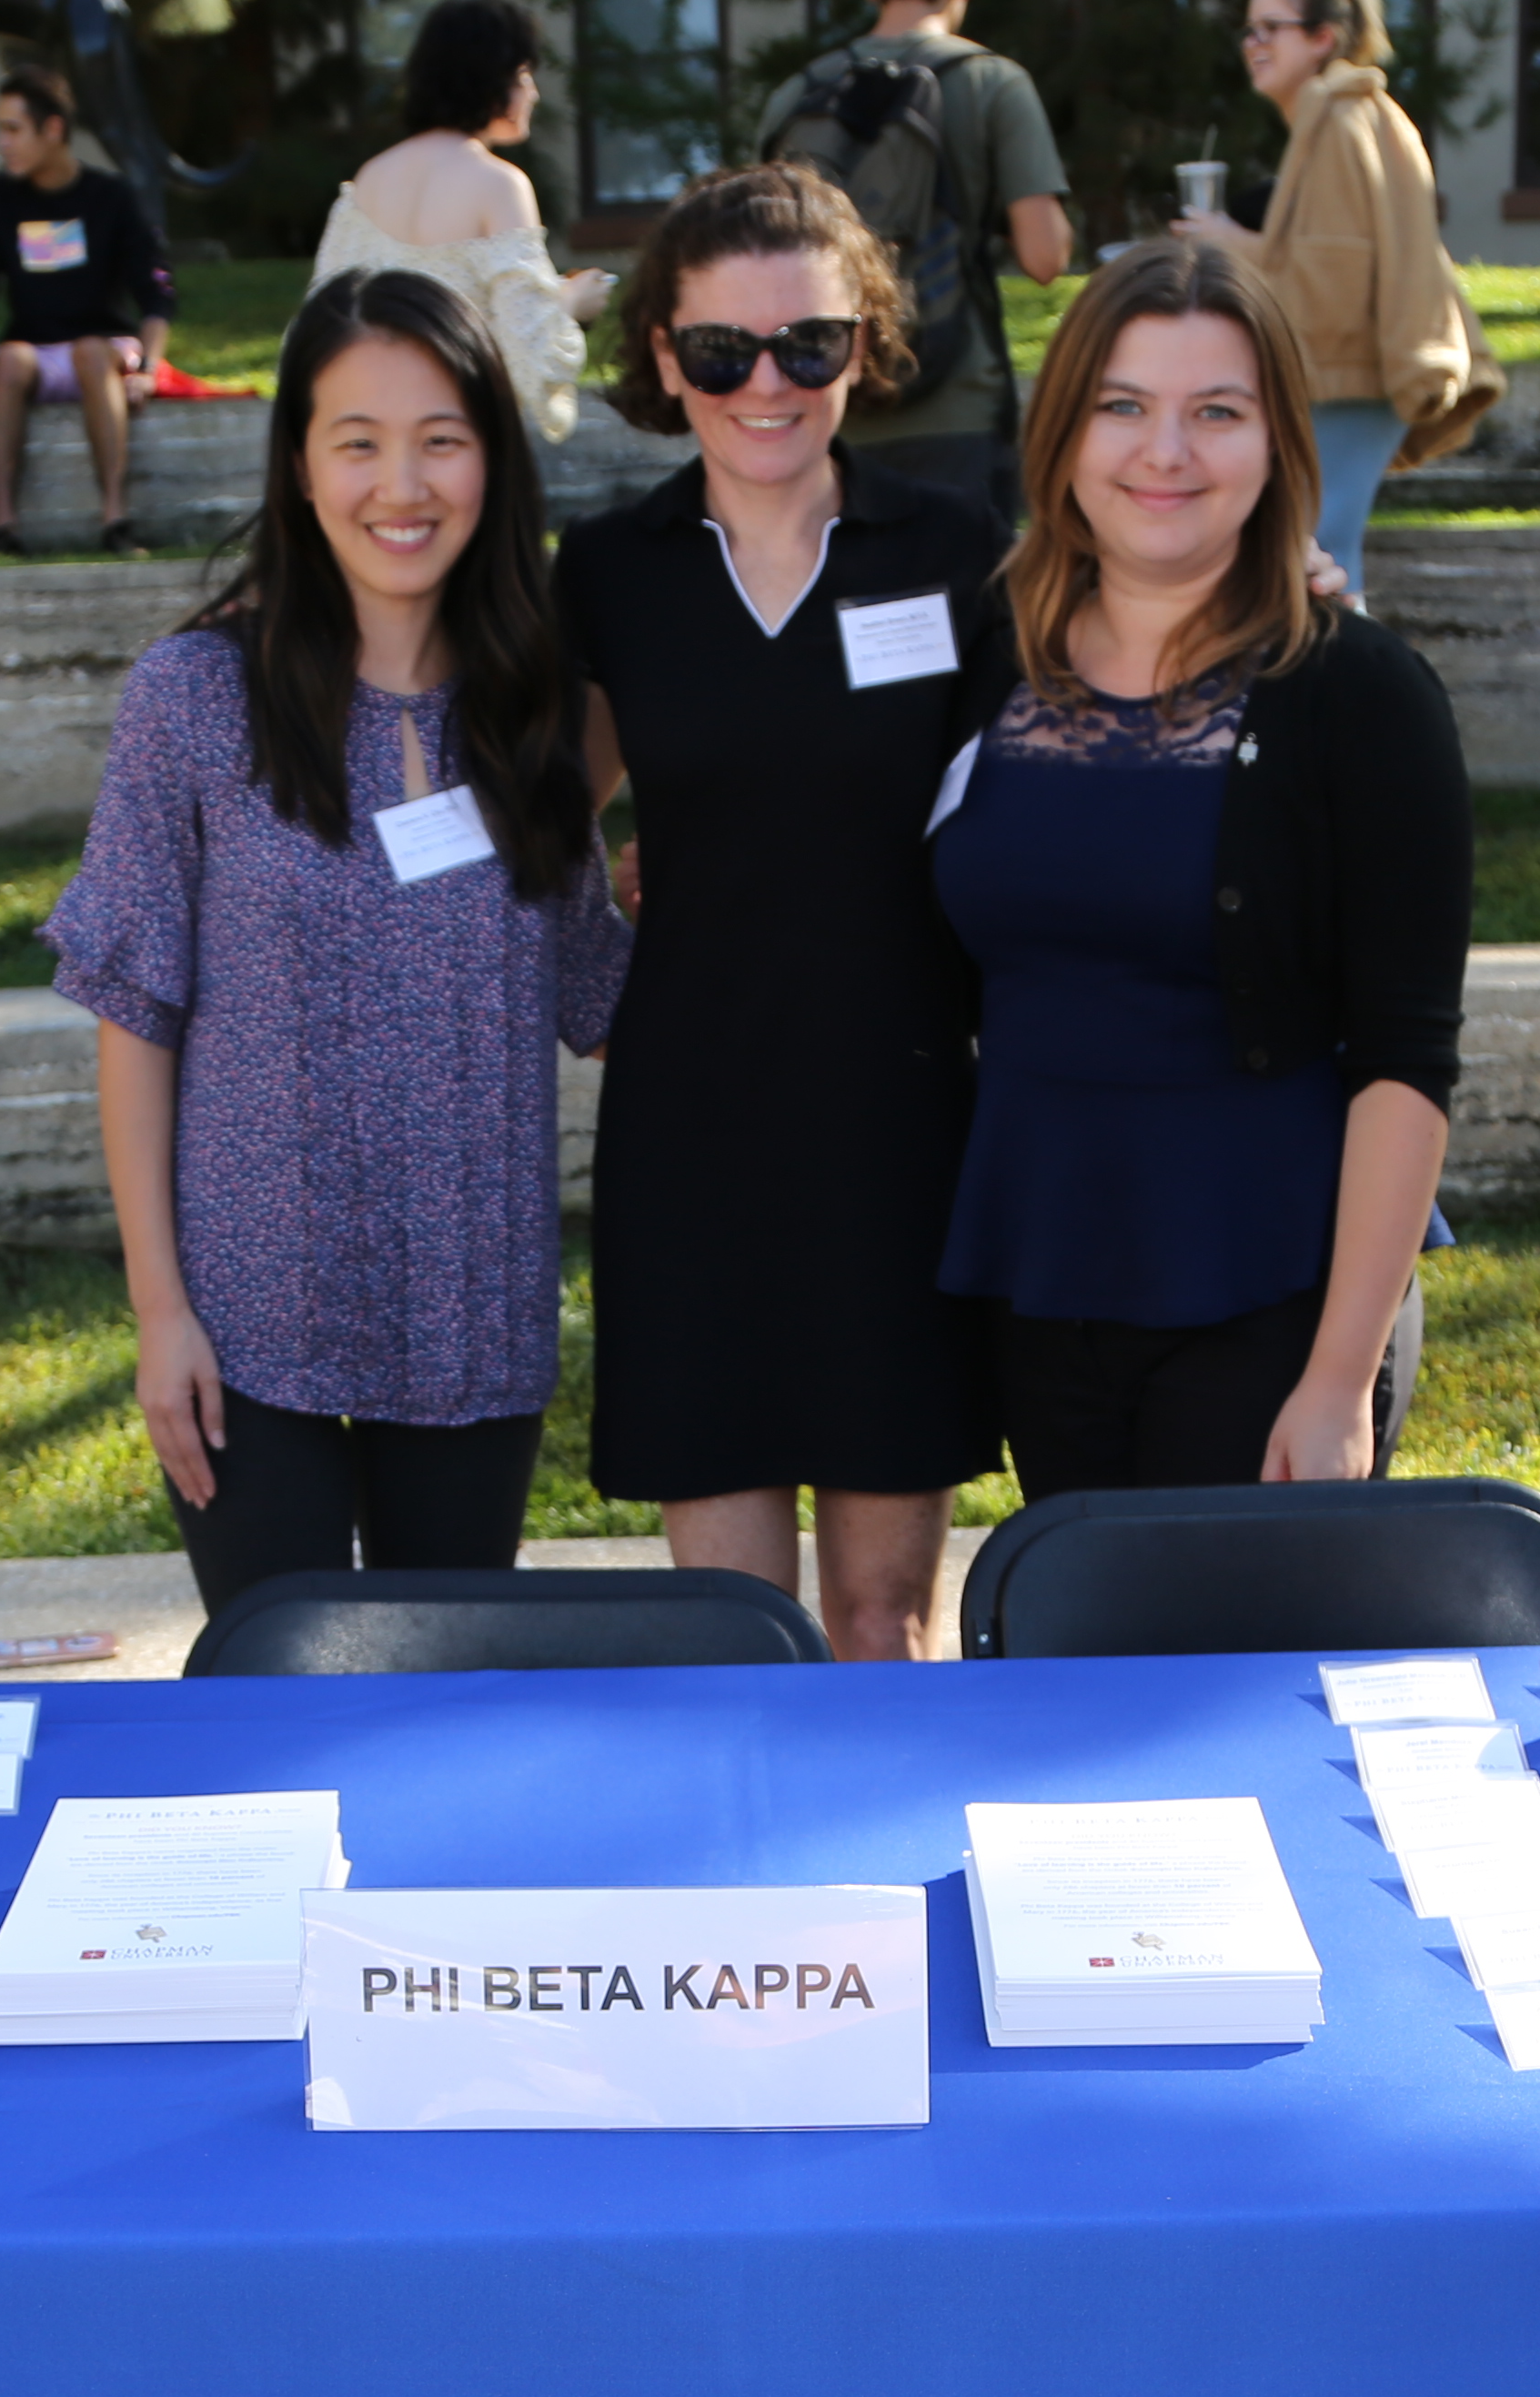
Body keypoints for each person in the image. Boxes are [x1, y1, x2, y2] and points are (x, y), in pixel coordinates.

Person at [45, 270, 626, 1611]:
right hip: (251, 1322)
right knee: (279, 1710)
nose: (400, 484)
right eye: (356, 441)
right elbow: (135, 1014)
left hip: (475, 1312)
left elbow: (595, 988)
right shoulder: (194, 700)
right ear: (301, 467)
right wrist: (160, 1315)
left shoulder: (536, 711)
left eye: (440, 438)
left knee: (441, 1713)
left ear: (491, 455)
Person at [929, 239, 1465, 1495]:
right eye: (1123, 407)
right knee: (1078, 1675)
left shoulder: (1361, 696)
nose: (1164, 454)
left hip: (1273, 1300)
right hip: (1041, 1284)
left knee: (1234, 1680)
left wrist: (1340, 1381)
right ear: (1063, 436)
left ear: (1278, 441)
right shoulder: (980, 659)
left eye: (1215, 413)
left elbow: (1407, 1059)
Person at [559, 164, 993, 1662]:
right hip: (693, 1140)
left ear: (865, 347)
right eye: (721, 350)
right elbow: (541, 819)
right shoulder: (611, 572)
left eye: (806, 344)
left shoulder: (952, 554)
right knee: (731, 1632)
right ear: (663, 358)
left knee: (881, 1621)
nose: (765, 383)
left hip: (901, 1131)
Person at [1170, 0, 1492, 592]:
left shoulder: (1342, 121)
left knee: (1316, 562)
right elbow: (1332, 261)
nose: (1253, 43)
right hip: (1348, 376)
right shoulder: (1342, 116)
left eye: (1271, 29)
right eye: (1248, 30)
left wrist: (1233, 247)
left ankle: (1346, 685)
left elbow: (1332, 290)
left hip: (1347, 379)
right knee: (1316, 559)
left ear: (1324, 37)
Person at [759, 0, 1071, 530]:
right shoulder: (992, 82)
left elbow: (761, 253)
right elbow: (1046, 257)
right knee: (965, 602)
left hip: (825, 410)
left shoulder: (796, 94)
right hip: (957, 408)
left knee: (841, 601)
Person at [316, 1, 607, 444]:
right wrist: (571, 306)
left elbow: (322, 318)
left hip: (367, 428)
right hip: (454, 432)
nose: (534, 92)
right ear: (492, 79)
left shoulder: (370, 177)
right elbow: (527, 355)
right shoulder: (499, 184)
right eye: (524, 74)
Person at [0, 68, 165, 556]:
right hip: (35, 351)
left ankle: (115, 519)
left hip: (103, 351)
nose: (2, 143)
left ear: (52, 130)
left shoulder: (109, 196)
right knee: (6, 360)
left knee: (91, 351)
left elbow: (155, 291)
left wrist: (149, 368)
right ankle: (4, 525)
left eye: (13, 130)